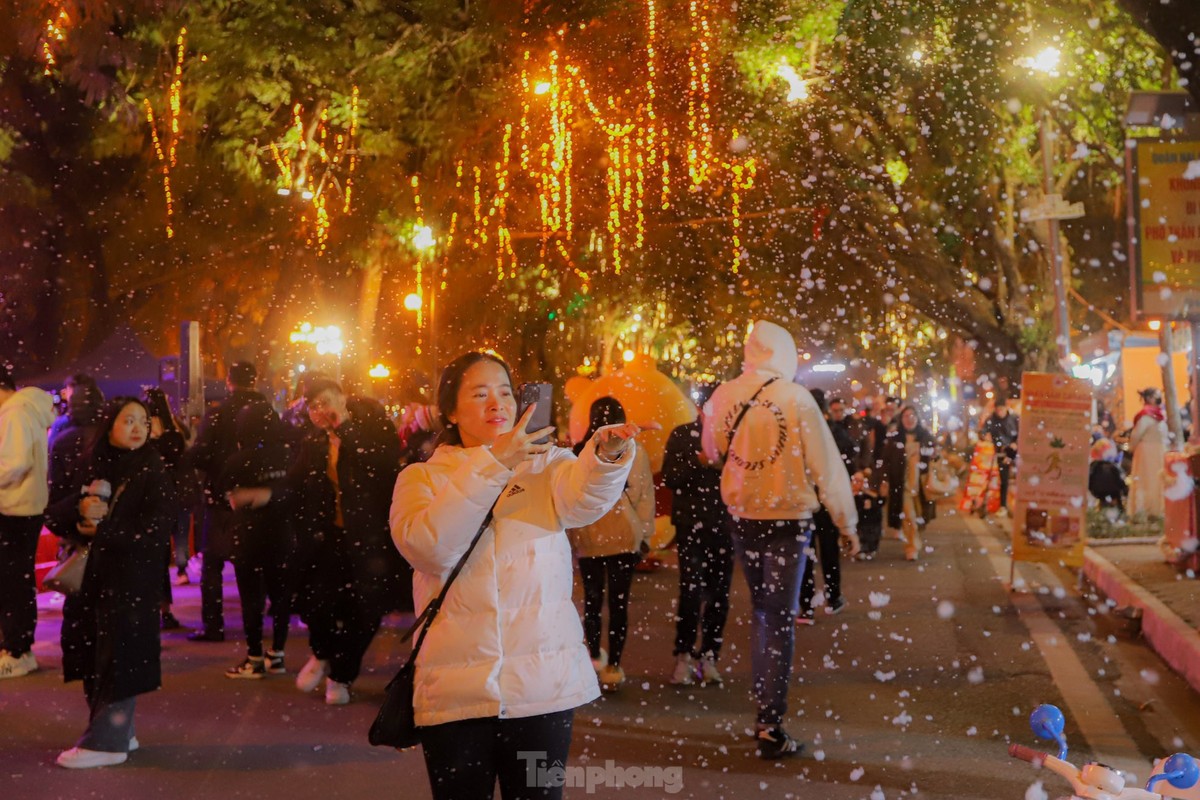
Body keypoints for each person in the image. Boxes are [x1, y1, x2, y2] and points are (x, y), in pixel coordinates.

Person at [390, 351, 655, 800]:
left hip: (541, 688)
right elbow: (431, 549)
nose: (498, 403)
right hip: (456, 692)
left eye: (505, 392)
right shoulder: (421, 478)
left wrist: (605, 456)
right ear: (451, 411)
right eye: (480, 394)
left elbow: (582, 500)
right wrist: (493, 464)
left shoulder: (545, 464)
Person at [701, 320, 858, 759]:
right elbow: (827, 468)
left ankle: (766, 714)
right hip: (788, 520)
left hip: (743, 517)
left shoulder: (723, 395)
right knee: (778, 617)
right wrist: (847, 524)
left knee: (763, 614)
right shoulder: (797, 400)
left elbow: (711, 450)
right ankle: (770, 720)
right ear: (785, 354)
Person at [45, 398, 175, 768]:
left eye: (143, 422)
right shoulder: (92, 465)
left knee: (118, 658)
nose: (138, 428)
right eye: (128, 420)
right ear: (109, 426)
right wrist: (79, 512)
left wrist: (103, 531)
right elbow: (54, 513)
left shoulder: (152, 470)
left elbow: (154, 531)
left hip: (130, 582)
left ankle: (106, 742)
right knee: (94, 656)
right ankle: (120, 731)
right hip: (92, 582)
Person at [289, 377, 405, 705]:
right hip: (329, 538)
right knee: (317, 601)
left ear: (342, 397)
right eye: (313, 406)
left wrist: (347, 431)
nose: (321, 410)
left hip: (370, 538)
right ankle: (323, 653)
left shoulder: (372, 425)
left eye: (325, 401)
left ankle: (341, 675)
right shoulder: (312, 442)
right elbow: (296, 484)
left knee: (365, 611)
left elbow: (384, 464)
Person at [568, 397, 656, 691]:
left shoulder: (579, 451)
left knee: (592, 602)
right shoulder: (634, 450)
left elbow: (571, 498)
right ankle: (614, 667)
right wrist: (645, 534)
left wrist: (569, 539)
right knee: (619, 604)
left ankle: (593, 658)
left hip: (589, 535)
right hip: (623, 535)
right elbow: (644, 495)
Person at [186, 361, 272, 642]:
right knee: (253, 562)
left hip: (222, 498)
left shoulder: (218, 414)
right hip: (258, 499)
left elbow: (201, 453)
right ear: (255, 380)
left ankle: (213, 624)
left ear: (228, 381)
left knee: (213, 564)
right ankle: (255, 622)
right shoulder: (268, 413)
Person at [662, 383, 732, 687]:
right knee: (691, 592)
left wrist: (725, 466)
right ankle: (684, 655)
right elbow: (670, 477)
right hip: (691, 524)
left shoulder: (734, 438)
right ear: (702, 408)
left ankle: (710, 656)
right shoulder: (681, 434)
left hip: (725, 525)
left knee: (719, 595)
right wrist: (698, 461)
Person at [221, 403, 296, 679]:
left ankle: (254, 657)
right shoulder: (289, 456)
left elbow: (229, 496)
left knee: (251, 598)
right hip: (283, 536)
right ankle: (277, 654)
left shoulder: (238, 460)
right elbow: (296, 491)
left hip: (249, 537)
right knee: (281, 597)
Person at [0, 365, 56, 679]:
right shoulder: (24, 410)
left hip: (14, 509)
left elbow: (14, 463)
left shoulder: (15, 413)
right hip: (23, 508)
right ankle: (17, 646)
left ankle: (17, 650)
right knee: (15, 580)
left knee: (12, 582)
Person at [798, 388, 857, 623]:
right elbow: (845, 466)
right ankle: (833, 596)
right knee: (829, 550)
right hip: (826, 499)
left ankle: (807, 605)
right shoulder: (833, 432)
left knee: (807, 553)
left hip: (805, 501)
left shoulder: (799, 430)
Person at [143, 388, 189, 631]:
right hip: (172, 494)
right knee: (169, 546)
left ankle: (149, 609)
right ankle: (165, 609)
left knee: (152, 558)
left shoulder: (144, 432)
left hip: (149, 500)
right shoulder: (174, 431)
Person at [881, 404, 937, 561]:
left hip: (921, 485)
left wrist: (932, 454)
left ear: (918, 418)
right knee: (909, 517)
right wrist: (884, 479)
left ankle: (914, 537)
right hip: (902, 484)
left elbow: (935, 456)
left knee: (920, 516)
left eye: (913, 415)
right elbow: (885, 460)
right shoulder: (894, 438)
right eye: (906, 416)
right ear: (901, 419)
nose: (909, 419)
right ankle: (912, 547)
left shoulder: (925, 436)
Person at [48, 375, 105, 505]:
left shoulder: (63, 424)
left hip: (68, 493)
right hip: (99, 492)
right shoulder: (104, 422)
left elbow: (52, 455)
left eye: (68, 390)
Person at [1128, 387, 1168, 518]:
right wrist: (1132, 448)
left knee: (1157, 481)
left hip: (1158, 452)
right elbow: (1136, 436)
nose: (1159, 399)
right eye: (1157, 396)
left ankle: (1156, 510)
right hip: (1146, 453)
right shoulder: (1145, 415)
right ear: (1150, 398)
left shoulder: (1159, 415)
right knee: (1146, 481)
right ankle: (1144, 510)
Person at [982, 398, 1019, 516]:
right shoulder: (991, 419)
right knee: (1004, 479)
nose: (999, 412)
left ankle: (1016, 505)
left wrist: (1015, 443)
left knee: (1018, 478)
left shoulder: (1015, 418)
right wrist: (984, 436)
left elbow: (1022, 432)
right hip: (1000, 452)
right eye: (997, 409)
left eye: (1001, 409)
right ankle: (1003, 505)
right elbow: (982, 431)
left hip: (1015, 451)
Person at [48, 374, 101, 450]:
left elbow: (51, 448)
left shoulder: (63, 422)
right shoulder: (102, 416)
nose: (65, 392)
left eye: (68, 389)